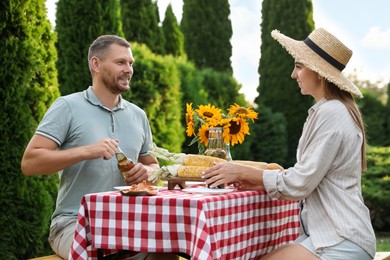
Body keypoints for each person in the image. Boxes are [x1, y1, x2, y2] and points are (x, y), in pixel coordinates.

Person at [202, 28, 376, 259]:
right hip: (330, 234)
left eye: (298, 66)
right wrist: (257, 180)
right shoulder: (327, 110)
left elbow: (300, 183)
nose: (293, 74)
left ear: (319, 72)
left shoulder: (332, 113)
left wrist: (243, 171)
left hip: (341, 239)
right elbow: (308, 178)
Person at [21, 35, 178, 260]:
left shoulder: (138, 115)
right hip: (74, 223)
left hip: (128, 221)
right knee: (102, 253)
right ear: (96, 64)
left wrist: (148, 173)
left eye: (130, 63)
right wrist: (87, 151)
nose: (129, 69)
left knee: (167, 248)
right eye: (120, 62)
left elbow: (152, 164)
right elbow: (30, 163)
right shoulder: (67, 106)